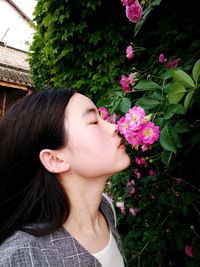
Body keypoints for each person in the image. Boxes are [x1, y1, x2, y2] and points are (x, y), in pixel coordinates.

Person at [0, 87, 131, 267]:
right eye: (94, 121)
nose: (114, 126)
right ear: (54, 159)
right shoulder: (23, 256)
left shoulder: (105, 208)